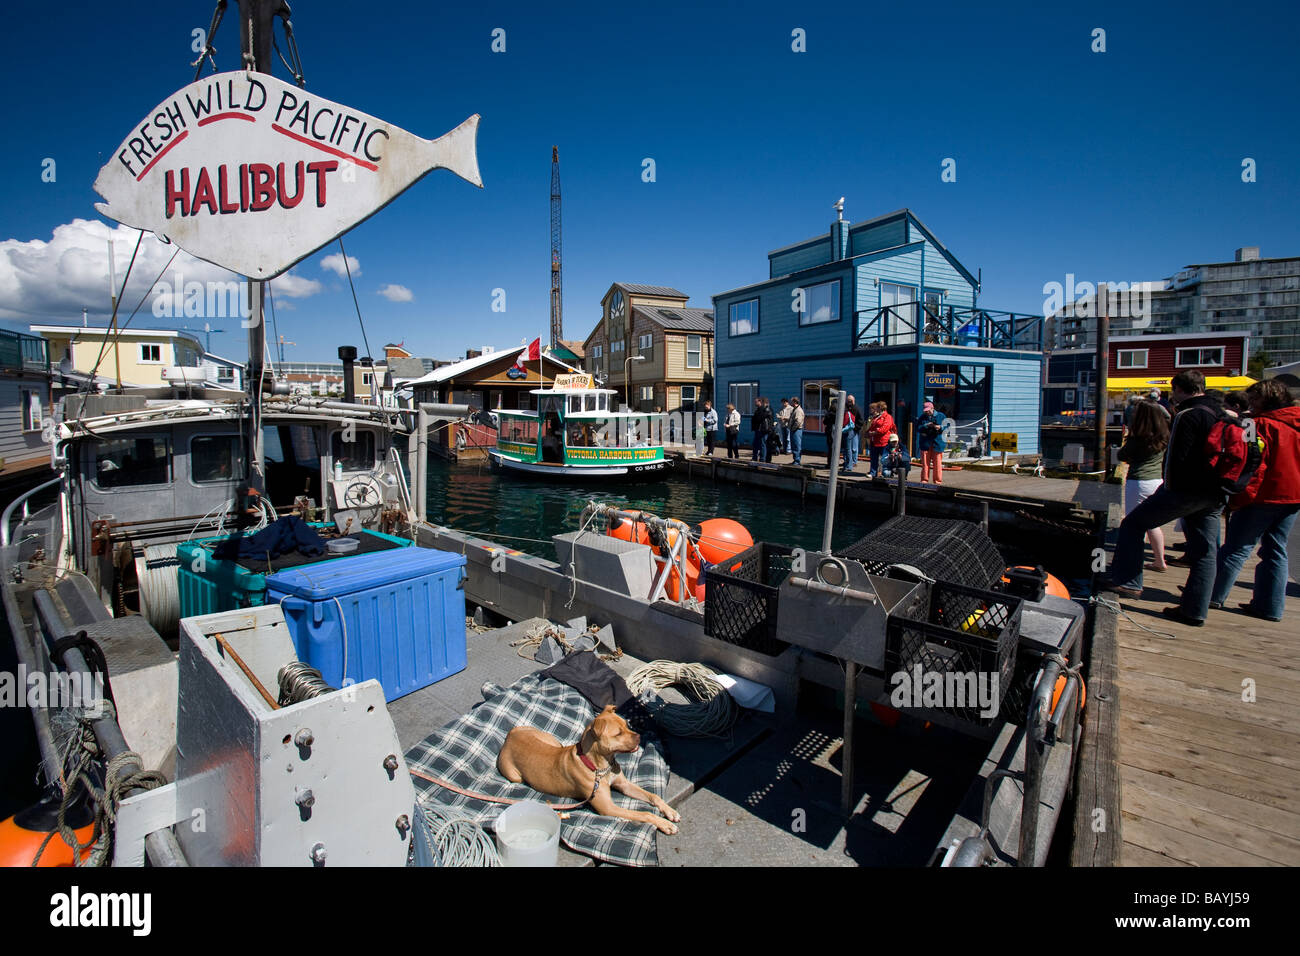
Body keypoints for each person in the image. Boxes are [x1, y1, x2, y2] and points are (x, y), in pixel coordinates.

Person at [1102, 370, 1226, 626]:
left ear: (1179, 389)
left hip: (1186, 490)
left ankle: (1128, 582)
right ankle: (1195, 610)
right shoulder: (1222, 414)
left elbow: (1177, 458)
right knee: (1205, 552)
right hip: (1216, 492)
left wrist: (1169, 489)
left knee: (1133, 524)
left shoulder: (1187, 415)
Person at [1209, 379, 1299, 622]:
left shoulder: (1255, 425)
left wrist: (1239, 497)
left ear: (1264, 400)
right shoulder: (1297, 421)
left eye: (1254, 400)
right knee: (1276, 551)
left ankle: (1210, 595)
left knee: (1237, 548)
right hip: (1293, 495)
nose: (1251, 404)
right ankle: (1270, 607)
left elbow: (1252, 464)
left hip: (1263, 494)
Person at [1117, 401, 1171, 573]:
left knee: (1134, 525)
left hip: (1139, 481)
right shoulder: (1163, 435)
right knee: (1152, 523)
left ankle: (1132, 565)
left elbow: (1122, 455)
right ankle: (1159, 560)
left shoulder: (1140, 437)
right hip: (1157, 481)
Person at [916, 401, 947, 484]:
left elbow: (947, 425)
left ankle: (937, 481)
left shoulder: (941, 415)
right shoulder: (922, 417)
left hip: (937, 443)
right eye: (925, 411)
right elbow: (918, 428)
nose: (927, 412)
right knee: (925, 464)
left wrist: (940, 427)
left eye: (928, 410)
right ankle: (924, 480)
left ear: (933, 408)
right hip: (925, 443)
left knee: (937, 464)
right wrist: (926, 425)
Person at [865, 400, 895, 478]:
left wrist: (874, 432)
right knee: (874, 458)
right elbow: (872, 426)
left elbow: (884, 428)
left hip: (883, 441)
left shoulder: (888, 417)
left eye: (877, 407)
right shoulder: (877, 417)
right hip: (875, 441)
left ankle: (885, 472)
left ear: (880, 408)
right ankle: (873, 472)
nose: (876, 409)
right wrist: (867, 433)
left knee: (885, 458)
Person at [842, 396, 861, 473]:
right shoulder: (844, 408)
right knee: (846, 448)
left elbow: (860, 421)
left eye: (850, 400)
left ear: (853, 401)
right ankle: (847, 464)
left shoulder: (856, 409)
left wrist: (855, 429)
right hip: (845, 430)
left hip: (851, 430)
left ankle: (850, 465)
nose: (849, 402)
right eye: (848, 400)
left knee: (851, 448)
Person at [751, 397, 771, 462]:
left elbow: (760, 418)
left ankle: (762, 459)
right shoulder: (758, 410)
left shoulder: (764, 409)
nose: (755, 403)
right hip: (758, 429)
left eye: (756, 402)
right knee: (755, 444)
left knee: (763, 444)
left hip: (762, 430)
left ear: (760, 402)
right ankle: (754, 457)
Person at [789, 397, 805, 465]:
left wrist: (793, 428)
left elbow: (798, 421)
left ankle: (797, 461)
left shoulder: (798, 410)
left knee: (797, 445)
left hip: (797, 430)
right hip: (794, 430)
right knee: (794, 445)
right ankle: (795, 459)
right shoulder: (794, 410)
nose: (791, 403)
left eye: (792, 402)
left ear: (795, 402)